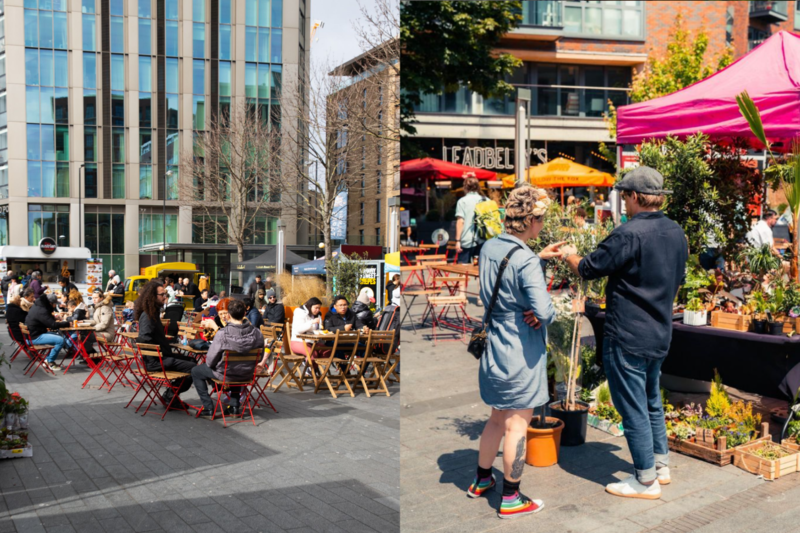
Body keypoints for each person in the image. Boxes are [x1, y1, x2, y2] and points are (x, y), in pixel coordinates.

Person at [562, 166, 688, 500]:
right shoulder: (676, 232)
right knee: (650, 401)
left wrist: (568, 254)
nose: (623, 202)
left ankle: (645, 480)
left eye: (624, 196)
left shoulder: (629, 233)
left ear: (633, 196)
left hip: (629, 333)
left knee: (633, 406)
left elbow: (589, 267)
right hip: (659, 330)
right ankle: (660, 466)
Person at [469, 185, 567, 519]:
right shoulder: (525, 260)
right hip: (519, 351)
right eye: (541, 220)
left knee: (497, 418)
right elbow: (546, 312)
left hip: (495, 346)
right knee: (517, 425)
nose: (542, 226)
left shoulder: (489, 247)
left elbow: (502, 274)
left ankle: (482, 479)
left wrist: (537, 257)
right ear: (532, 220)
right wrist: (540, 307)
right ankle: (511, 497)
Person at [191, 299, 263, 418]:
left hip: (226, 373)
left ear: (228, 315)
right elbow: (259, 357)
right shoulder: (257, 333)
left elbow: (210, 361)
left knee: (196, 371)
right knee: (238, 367)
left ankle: (208, 407)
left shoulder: (222, 334)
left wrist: (214, 365)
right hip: (247, 373)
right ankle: (234, 406)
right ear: (245, 313)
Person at [135, 281, 196, 405]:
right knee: (194, 368)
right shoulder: (148, 316)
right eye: (162, 294)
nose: (165, 297)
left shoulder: (153, 312)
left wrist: (166, 343)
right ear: (153, 296)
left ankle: (170, 395)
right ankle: (170, 396)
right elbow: (144, 339)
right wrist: (159, 351)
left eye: (166, 294)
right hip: (155, 362)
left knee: (192, 361)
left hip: (161, 357)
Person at [25, 293, 70, 371]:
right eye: (54, 304)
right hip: (35, 337)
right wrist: (67, 323)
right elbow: (52, 325)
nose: (55, 306)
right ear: (50, 303)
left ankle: (47, 360)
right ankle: (50, 362)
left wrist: (54, 318)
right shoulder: (42, 310)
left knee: (58, 336)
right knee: (60, 340)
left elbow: (46, 319)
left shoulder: (38, 306)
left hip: (32, 334)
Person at [454, 175, 486, 264]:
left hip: (467, 240)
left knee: (463, 270)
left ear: (465, 187)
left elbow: (461, 221)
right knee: (481, 270)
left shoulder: (462, 201)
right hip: (483, 240)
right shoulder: (486, 200)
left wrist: (457, 241)